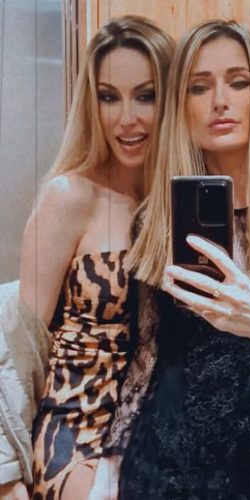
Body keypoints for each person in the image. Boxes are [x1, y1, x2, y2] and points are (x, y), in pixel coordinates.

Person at [99, 19, 250, 500]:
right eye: (199, 87)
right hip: (159, 470)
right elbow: (147, 356)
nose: (220, 100)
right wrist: (108, 470)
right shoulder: (157, 220)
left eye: (238, 82)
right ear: (183, 107)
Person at [16, 15, 174, 500]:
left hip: (154, 438)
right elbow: (18, 351)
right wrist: (6, 477)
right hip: (77, 431)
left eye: (145, 96)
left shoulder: (176, 203)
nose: (126, 118)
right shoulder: (69, 197)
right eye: (109, 97)